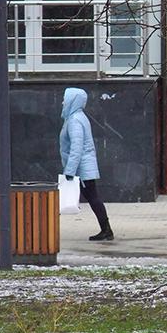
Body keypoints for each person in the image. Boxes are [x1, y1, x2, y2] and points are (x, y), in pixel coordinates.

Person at [60, 87, 113, 241]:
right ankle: (106, 229)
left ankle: (106, 230)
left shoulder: (75, 120)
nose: (63, 102)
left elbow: (77, 147)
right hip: (83, 166)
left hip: (81, 168)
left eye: (65, 98)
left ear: (72, 100)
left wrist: (69, 171)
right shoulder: (77, 117)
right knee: (92, 197)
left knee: (93, 197)